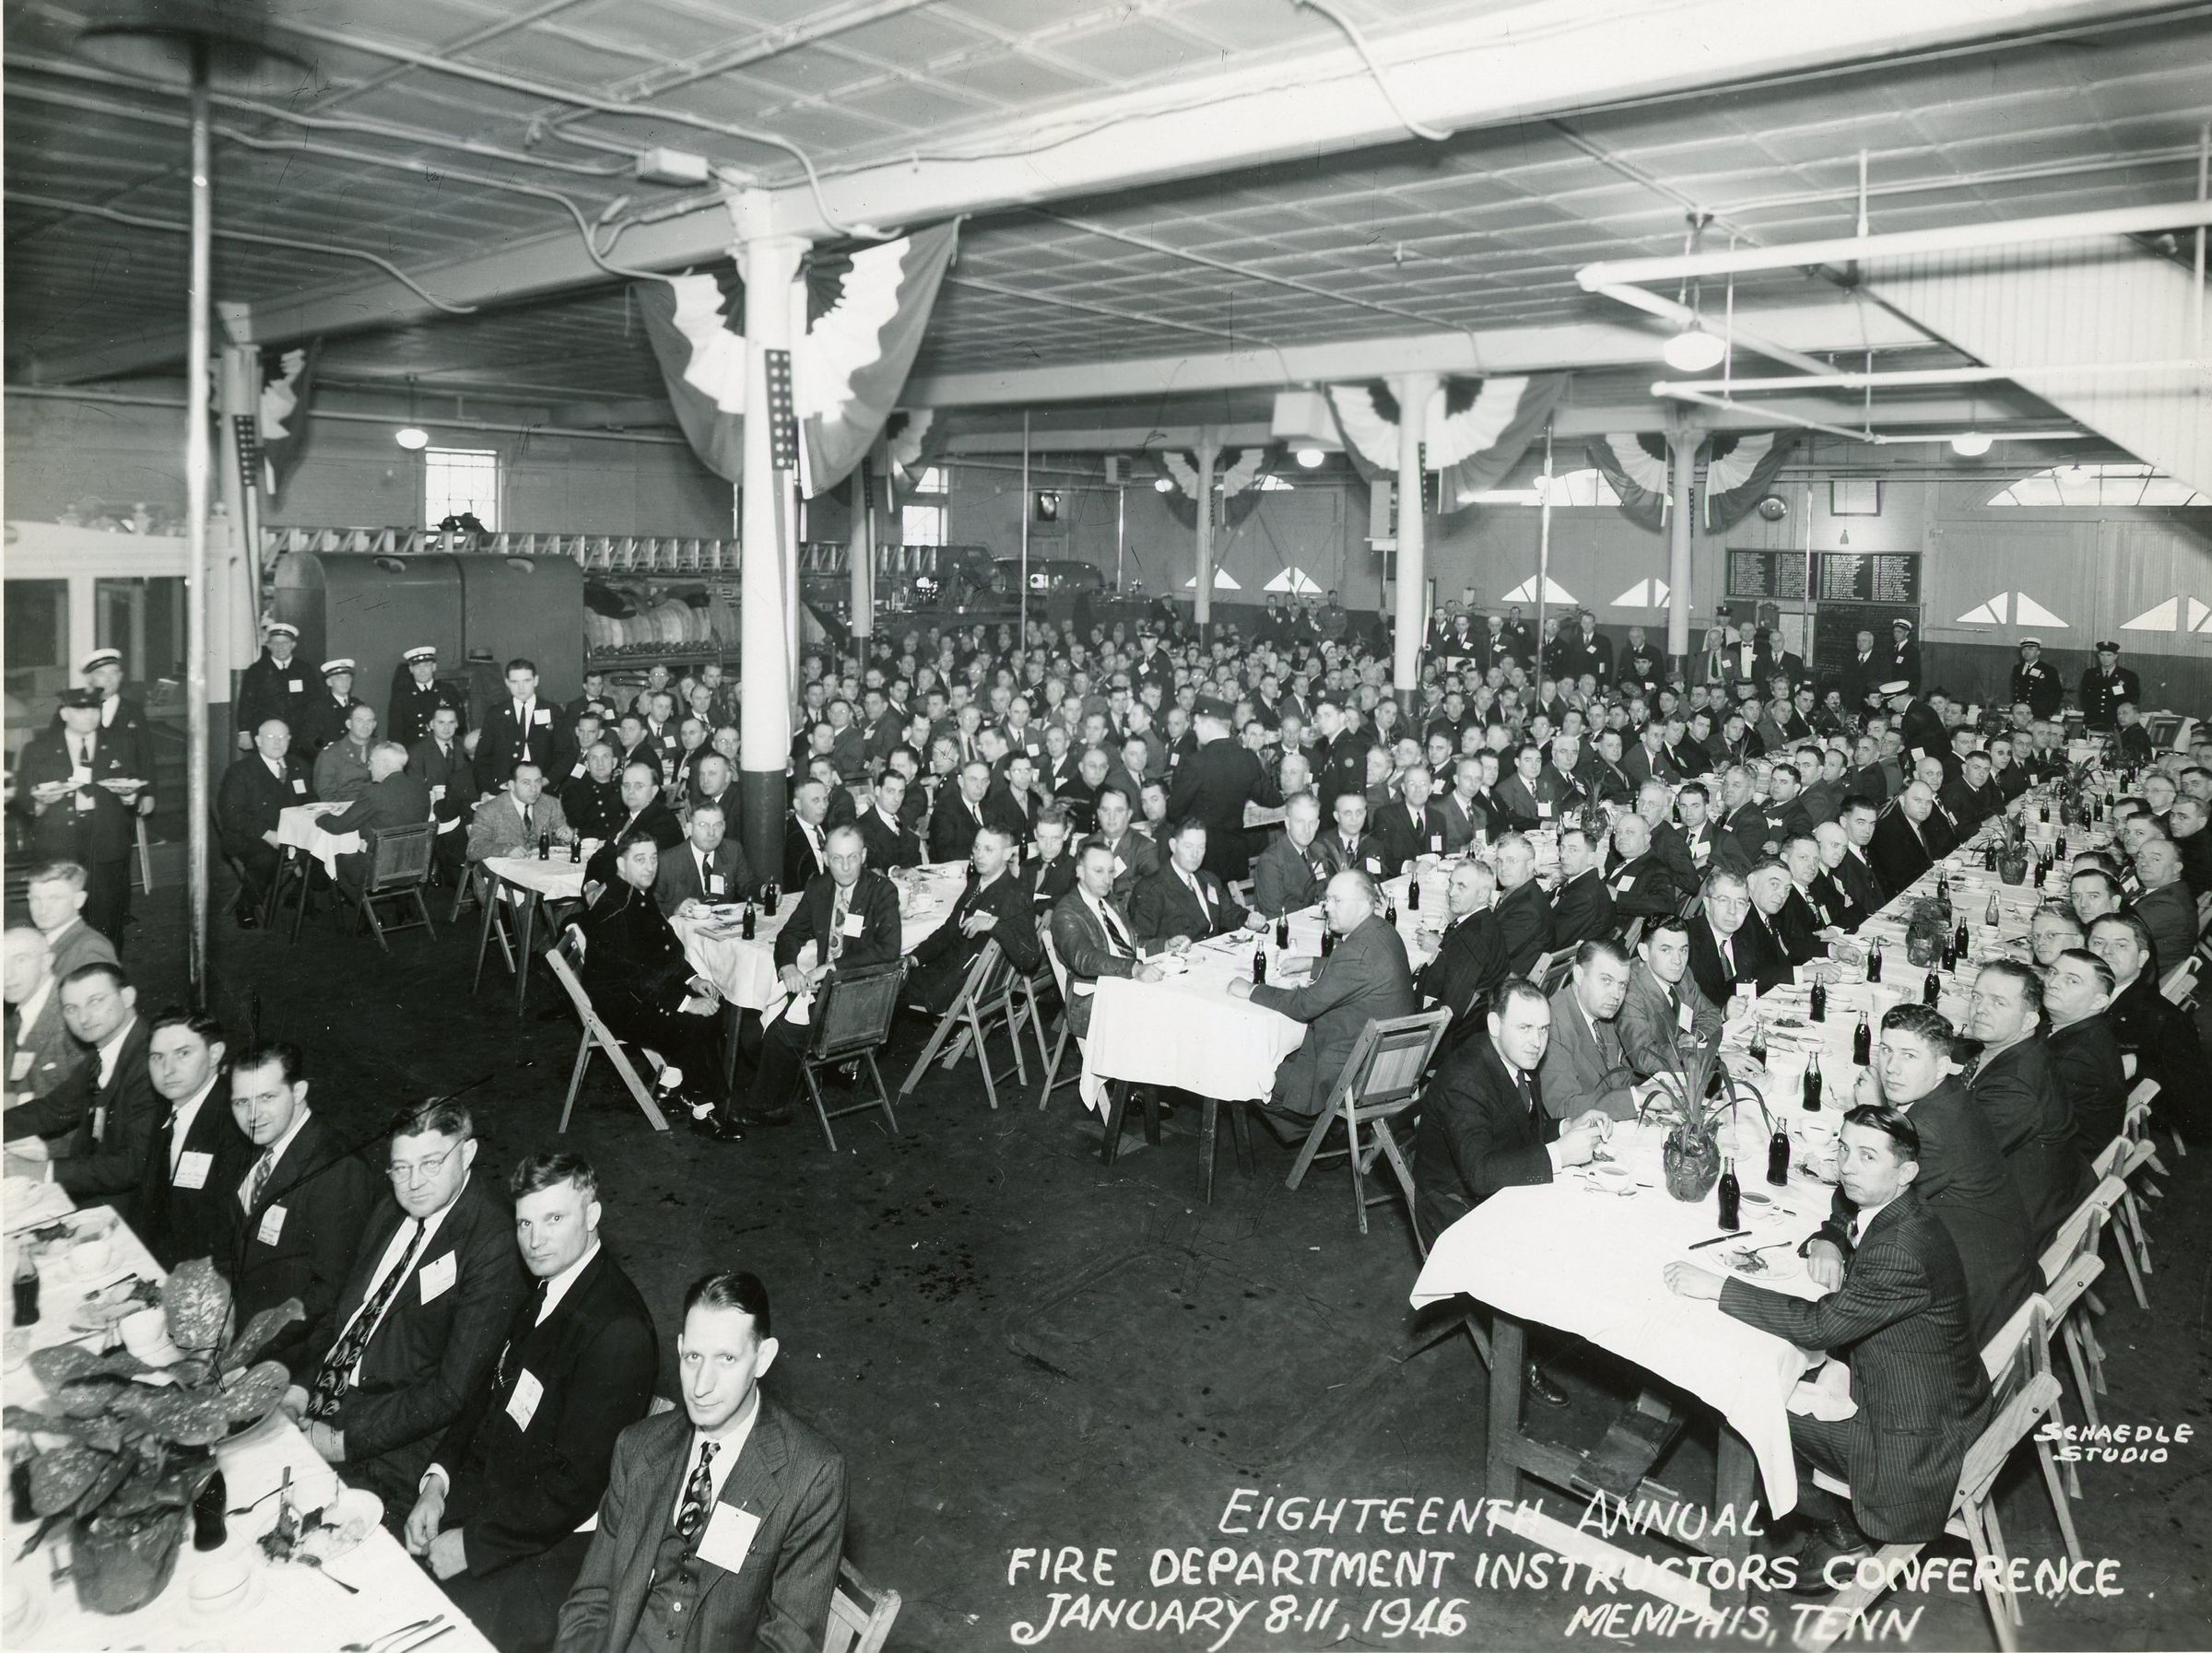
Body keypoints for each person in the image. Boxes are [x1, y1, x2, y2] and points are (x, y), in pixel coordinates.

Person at [1666, 1107, 1991, 1582]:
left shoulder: (1899, 1248)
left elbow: (1820, 1327)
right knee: (1769, 1374)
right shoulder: (1905, 1214)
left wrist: (1718, 1288)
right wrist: (1831, 1240)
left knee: (1745, 1404)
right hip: (1942, 1400)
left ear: (1906, 1173)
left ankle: (1841, 1532)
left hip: (1909, 1445)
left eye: (1867, 1156)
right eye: (1844, 1150)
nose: (1847, 1167)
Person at [405, 1154, 659, 1653]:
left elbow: (577, 1487)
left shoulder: (618, 1330)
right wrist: (437, 1482)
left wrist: (472, 1545)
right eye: (524, 1222)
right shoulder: (549, 1284)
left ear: (592, 1215)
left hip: (554, 1546)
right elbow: (486, 1390)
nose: (535, 1240)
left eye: (554, 1218)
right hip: (500, 1501)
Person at [554, 1271, 846, 1653]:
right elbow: (591, 1601)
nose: (701, 1385)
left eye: (726, 1358)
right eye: (693, 1357)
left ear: (762, 1358)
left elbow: (788, 1642)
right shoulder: (638, 1447)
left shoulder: (812, 1474)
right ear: (679, 1348)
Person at [287, 1098, 530, 1514]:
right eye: (401, 1168)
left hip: (390, 1443)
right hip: (324, 1399)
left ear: (467, 1153)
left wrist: (343, 1442)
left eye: (431, 1163)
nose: (414, 1182)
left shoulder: (494, 1243)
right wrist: (298, 1387)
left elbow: (450, 1393)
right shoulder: (393, 1207)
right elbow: (347, 1318)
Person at [1814, 1004, 2033, 1348]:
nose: (1891, 1068)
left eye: (1909, 1056)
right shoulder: (1945, 1096)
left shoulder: (1931, 1129)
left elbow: (1865, 1193)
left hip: (1971, 1299)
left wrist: (1829, 1237)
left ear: (1942, 1066)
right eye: (1886, 1050)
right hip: (1987, 1262)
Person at [735, 826, 902, 1135]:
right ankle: (799, 1081)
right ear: (825, 859)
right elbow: (790, 933)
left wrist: (831, 968)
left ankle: (772, 1107)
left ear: (864, 856)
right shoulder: (819, 886)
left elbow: (888, 950)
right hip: (824, 992)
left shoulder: (882, 890)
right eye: (837, 858)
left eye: (853, 857)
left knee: (782, 1033)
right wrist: (788, 967)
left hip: (860, 994)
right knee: (752, 1024)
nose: (846, 866)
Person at [229, 1041, 381, 1380]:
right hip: (245, 1330)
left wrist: (247, 1349)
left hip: (287, 1356)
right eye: (241, 1102)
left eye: (267, 1097)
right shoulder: (263, 1146)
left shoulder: (335, 1168)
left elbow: (330, 1291)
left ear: (298, 1092)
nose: (252, 1115)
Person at [1229, 869, 1414, 1131]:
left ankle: (1326, 1129)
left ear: (1364, 905)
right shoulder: (1382, 930)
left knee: (1249, 1069)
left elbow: (1304, 1005)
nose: (1327, 907)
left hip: (1352, 1076)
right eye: (1327, 899)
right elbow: (1360, 968)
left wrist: (1252, 990)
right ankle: (1330, 1131)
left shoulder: (1356, 951)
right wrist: (1313, 963)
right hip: (1388, 1067)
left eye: (1338, 901)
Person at [578, 835, 728, 1130]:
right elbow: (635, 977)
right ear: (621, 864)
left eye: (653, 858)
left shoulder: (635, 892)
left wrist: (693, 979)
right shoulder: (617, 907)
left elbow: (664, 949)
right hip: (620, 1006)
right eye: (640, 859)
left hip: (639, 992)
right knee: (696, 1022)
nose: (649, 867)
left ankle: (671, 1083)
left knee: (713, 1003)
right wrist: (686, 1003)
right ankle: (704, 1110)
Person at [2, 963, 156, 1213]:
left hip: (140, 1208)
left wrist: (43, 1170)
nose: (83, 1018)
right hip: (104, 1191)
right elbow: (54, 1109)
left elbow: (134, 1165)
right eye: (71, 1009)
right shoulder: (105, 1051)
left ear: (127, 996)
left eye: (95, 1001)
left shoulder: (153, 1057)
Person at [1962, 962, 2089, 1247]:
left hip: (2003, 1227)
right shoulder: (2021, 1052)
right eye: (1977, 996)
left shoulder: (2015, 1087)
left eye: (1999, 1002)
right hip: (2026, 1194)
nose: (1980, 1009)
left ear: (2029, 1020)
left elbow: (1956, 1157)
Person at [14, 688, 142, 943]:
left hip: (105, 836)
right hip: (58, 839)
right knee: (59, 913)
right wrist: (39, 803)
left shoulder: (120, 744)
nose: (89, 715)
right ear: (64, 714)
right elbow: (23, 798)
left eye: (94, 709)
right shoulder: (38, 749)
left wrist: (129, 797)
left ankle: (106, 962)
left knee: (107, 916)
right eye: (80, 710)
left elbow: (132, 785)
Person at [136, 1009, 255, 1272]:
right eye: (157, 1057)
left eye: (183, 1054)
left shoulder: (237, 1121)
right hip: (170, 1260)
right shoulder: (170, 1106)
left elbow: (230, 1234)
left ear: (215, 1054)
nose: (167, 1070)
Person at [904, 825, 1042, 1015]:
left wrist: (994, 925)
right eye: (977, 847)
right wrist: (915, 958)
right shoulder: (976, 882)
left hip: (961, 988)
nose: (979, 855)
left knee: (886, 985)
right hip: (953, 974)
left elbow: (1030, 958)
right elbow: (949, 930)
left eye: (989, 849)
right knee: (895, 972)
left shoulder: (1014, 895)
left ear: (1006, 854)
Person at [2088, 911, 2203, 1137]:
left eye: (2121, 945)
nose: (2107, 951)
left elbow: (2198, 1107)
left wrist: (2140, 1065)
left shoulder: (2163, 1019)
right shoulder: (2087, 993)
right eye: (2098, 943)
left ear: (2142, 958)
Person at [1050, 841, 1163, 1044]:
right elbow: (1084, 959)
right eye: (1098, 871)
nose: (1107, 879)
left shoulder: (1110, 902)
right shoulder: (1066, 912)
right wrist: (1133, 969)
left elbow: (1132, 944)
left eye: (1111, 871)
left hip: (1124, 986)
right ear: (1080, 872)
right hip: (1094, 1000)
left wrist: (1165, 946)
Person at [1164, 696, 1282, 884]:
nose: (1194, 729)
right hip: (1236, 855)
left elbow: (1173, 810)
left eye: (1196, 723)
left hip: (1203, 860)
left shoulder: (1196, 762)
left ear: (1209, 724)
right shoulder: (1248, 758)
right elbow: (1273, 800)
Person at [217, 719, 315, 922]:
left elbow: (311, 800)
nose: (277, 742)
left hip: (291, 833)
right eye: (270, 737)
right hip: (250, 836)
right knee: (266, 859)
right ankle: (246, 905)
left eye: (282, 737)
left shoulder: (299, 766)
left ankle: (298, 893)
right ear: (258, 741)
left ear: (289, 740)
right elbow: (231, 814)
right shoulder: (240, 771)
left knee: (325, 848)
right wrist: (267, 834)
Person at [1539, 940, 1641, 1121]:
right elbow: (1564, 1108)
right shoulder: (1553, 1024)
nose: (1616, 995)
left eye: (1622, 985)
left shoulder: (1600, 1010)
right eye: (1606, 980)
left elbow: (1616, 1080)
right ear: (1579, 975)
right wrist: (1636, 1098)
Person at [1617, 917, 1731, 1079]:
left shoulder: (1682, 976)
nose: (1678, 961)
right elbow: (1644, 1058)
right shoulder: (1629, 990)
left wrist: (1693, 1036)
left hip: (1677, 1070)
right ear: (1644, 952)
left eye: (1683, 950)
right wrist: (1710, 1060)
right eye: (1666, 950)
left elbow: (1711, 1013)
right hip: (1644, 1082)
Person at [2041, 948, 2129, 1159]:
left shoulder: (2077, 1058)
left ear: (2098, 1002)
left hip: (2059, 1161)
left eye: (2072, 981)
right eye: (2053, 972)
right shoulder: (2082, 1027)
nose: (2052, 983)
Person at [324, 741, 435, 900]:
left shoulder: (373, 793)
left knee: (335, 860)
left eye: (371, 762)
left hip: (378, 870)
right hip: (413, 867)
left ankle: (365, 912)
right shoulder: (421, 789)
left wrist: (321, 816)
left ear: (384, 764)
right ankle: (400, 907)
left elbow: (338, 826)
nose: (369, 768)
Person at [1130, 820, 1257, 947]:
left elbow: (1230, 913)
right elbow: (1138, 943)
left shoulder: (1209, 879)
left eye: (1201, 847)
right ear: (1173, 846)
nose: (1195, 854)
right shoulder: (1150, 889)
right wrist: (1166, 945)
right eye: (1188, 846)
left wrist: (1248, 919)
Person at [3, 926, 79, 1107]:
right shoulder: (18, 1013)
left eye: (20, 960)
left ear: (46, 962)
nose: (6, 975)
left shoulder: (73, 1013)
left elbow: (87, 1098)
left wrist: (15, 1102)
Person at [478, 658, 576, 794]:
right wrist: (486, 790)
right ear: (507, 683)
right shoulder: (495, 714)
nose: (521, 687)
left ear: (536, 680)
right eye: (515, 682)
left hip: (542, 789)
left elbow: (567, 754)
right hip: (504, 789)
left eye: (526, 681)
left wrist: (548, 780)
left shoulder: (553, 711)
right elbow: (482, 758)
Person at [408, 704, 477, 887]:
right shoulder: (418, 751)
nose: (446, 727)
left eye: (451, 722)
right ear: (431, 724)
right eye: (441, 722)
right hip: (434, 807)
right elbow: (416, 786)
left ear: (457, 724)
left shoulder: (465, 745)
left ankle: (465, 876)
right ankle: (445, 870)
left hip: (462, 807)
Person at [585, 764, 682, 889]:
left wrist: (602, 891)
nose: (630, 791)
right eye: (626, 785)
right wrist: (592, 885)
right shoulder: (628, 817)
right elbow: (599, 857)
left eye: (638, 786)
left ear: (653, 791)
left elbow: (638, 874)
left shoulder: (662, 824)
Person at [654, 800, 755, 916]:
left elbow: (747, 886)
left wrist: (764, 890)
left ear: (724, 827)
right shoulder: (666, 861)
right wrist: (675, 909)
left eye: (717, 825)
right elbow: (650, 906)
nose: (711, 832)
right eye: (703, 825)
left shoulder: (732, 851)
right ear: (690, 829)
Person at [471, 762, 574, 867]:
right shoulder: (489, 809)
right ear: (512, 785)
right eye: (526, 783)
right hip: (504, 872)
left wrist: (566, 838)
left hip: (542, 868)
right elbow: (474, 848)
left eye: (538, 782)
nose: (534, 789)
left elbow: (558, 842)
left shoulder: (551, 804)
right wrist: (505, 850)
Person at [235, 619, 312, 751]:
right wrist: (244, 732)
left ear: (293, 645)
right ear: (269, 646)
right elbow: (246, 703)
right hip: (267, 735)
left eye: (285, 643)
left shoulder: (304, 669)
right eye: (275, 643)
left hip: (298, 736)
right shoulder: (256, 670)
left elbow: (314, 701)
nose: (280, 647)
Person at [1251, 791, 1330, 917]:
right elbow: (1273, 916)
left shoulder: (1319, 851)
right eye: (1300, 822)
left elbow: (1325, 893)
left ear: (1317, 825)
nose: (1307, 830)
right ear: (1287, 823)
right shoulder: (1271, 861)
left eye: (1311, 822)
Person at [2128, 836, 2199, 973]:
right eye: (2141, 857)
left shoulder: (2169, 904)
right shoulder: (2167, 890)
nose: (2144, 863)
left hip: (2144, 976)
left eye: (2155, 859)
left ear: (2176, 868)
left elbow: (2118, 932)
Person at [1491, 834, 1553, 977]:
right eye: (1499, 861)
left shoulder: (1527, 909)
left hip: (1507, 982)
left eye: (1512, 861)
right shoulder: (1519, 892)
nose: (1503, 868)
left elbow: (1489, 955)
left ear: (1530, 865)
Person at [1371, 763, 1447, 877]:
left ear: (1430, 789)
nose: (1418, 789)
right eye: (1412, 784)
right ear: (1403, 788)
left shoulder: (1438, 818)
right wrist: (1410, 866)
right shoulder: (1386, 815)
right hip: (1397, 882)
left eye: (1423, 784)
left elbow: (1440, 854)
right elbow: (1379, 857)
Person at [1547, 826, 1615, 950]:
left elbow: (1551, 942)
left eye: (1573, 850)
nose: (1563, 855)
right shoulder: (1581, 881)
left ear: (1590, 858)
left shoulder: (1583, 897)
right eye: (1562, 848)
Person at [1870, 780, 1942, 895]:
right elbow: (1900, 879)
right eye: (1917, 800)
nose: (1924, 807)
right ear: (1902, 800)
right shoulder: (1888, 831)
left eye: (1928, 802)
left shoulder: (1920, 822)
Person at [390, 644, 468, 749]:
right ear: (411, 669)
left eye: (426, 665)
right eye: (417, 666)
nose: (422, 671)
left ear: (434, 667)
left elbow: (460, 723)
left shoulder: (448, 690)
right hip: (413, 751)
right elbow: (395, 732)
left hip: (444, 749)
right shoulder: (402, 695)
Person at [300, 659, 371, 759]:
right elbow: (309, 740)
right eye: (339, 678)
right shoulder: (319, 707)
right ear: (329, 682)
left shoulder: (358, 705)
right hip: (331, 761)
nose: (344, 682)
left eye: (347, 678)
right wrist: (328, 751)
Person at [312, 701, 382, 804]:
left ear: (375, 725)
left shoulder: (382, 750)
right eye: (359, 720)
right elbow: (326, 794)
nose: (365, 725)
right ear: (349, 724)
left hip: (377, 807)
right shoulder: (331, 754)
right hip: (344, 809)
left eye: (369, 721)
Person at [927, 760, 994, 866]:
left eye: (984, 781)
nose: (979, 786)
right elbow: (946, 855)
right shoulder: (944, 811)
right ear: (961, 782)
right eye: (973, 780)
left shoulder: (991, 808)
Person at [857, 770, 924, 871]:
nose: (897, 799)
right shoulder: (862, 827)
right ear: (877, 791)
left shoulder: (902, 821)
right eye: (890, 791)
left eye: (901, 792)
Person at [561, 743, 627, 844]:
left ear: (614, 763)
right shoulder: (574, 792)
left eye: (605, 757)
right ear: (587, 765)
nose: (600, 763)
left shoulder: (625, 790)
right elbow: (577, 828)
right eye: (594, 758)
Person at [2077, 640, 2138, 732]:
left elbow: (2133, 699)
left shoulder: (2128, 676)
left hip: (2116, 722)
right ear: (2098, 656)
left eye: (2109, 655)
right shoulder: (2090, 674)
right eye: (2102, 655)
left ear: (2115, 656)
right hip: (2093, 721)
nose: (2105, 658)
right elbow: (2083, 697)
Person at [2009, 638, 2063, 721]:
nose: (2026, 652)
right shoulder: (2017, 668)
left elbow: (2057, 694)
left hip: (2038, 714)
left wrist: (2049, 712)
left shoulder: (2048, 670)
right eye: (2024, 649)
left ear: (2038, 652)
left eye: (2030, 649)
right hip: (2020, 713)